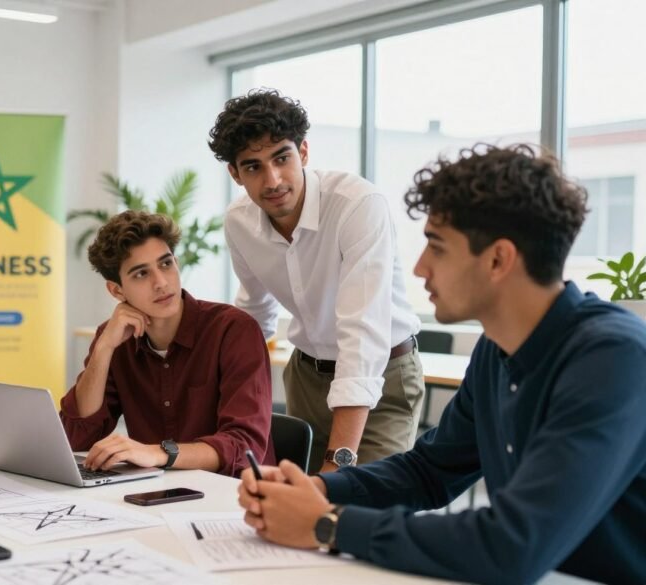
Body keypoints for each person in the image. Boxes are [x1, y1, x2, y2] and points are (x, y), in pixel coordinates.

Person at [237, 144, 646, 584]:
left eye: (437, 246)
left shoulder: (613, 359)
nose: (419, 268)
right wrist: (317, 489)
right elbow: (428, 472)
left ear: (497, 259)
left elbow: (512, 545)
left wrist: (328, 524)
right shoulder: (496, 349)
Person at [210, 88, 425, 474]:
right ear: (235, 174)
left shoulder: (357, 205)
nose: (273, 180)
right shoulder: (239, 222)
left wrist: (335, 461)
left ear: (303, 152)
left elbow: (363, 337)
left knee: (356, 507)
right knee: (291, 512)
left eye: (282, 158)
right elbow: (255, 316)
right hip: (306, 378)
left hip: (383, 377)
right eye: (254, 166)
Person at [60, 210, 274, 476]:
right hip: (156, 494)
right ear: (117, 290)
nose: (161, 283)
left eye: (165, 264)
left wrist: (159, 453)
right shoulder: (115, 338)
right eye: (141, 274)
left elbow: (243, 447)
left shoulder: (233, 330)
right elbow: (76, 437)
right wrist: (103, 349)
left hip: (235, 497)